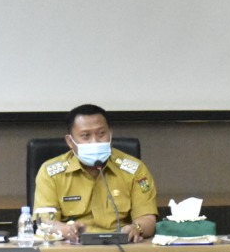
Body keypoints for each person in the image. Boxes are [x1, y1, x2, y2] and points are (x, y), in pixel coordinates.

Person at [33, 104, 158, 244]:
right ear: (70, 141)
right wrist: (68, 230)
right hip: (72, 248)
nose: (95, 141)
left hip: (122, 247)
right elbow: (45, 221)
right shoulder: (51, 172)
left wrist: (136, 228)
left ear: (110, 134)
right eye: (85, 136)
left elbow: (148, 219)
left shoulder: (134, 169)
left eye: (101, 134)